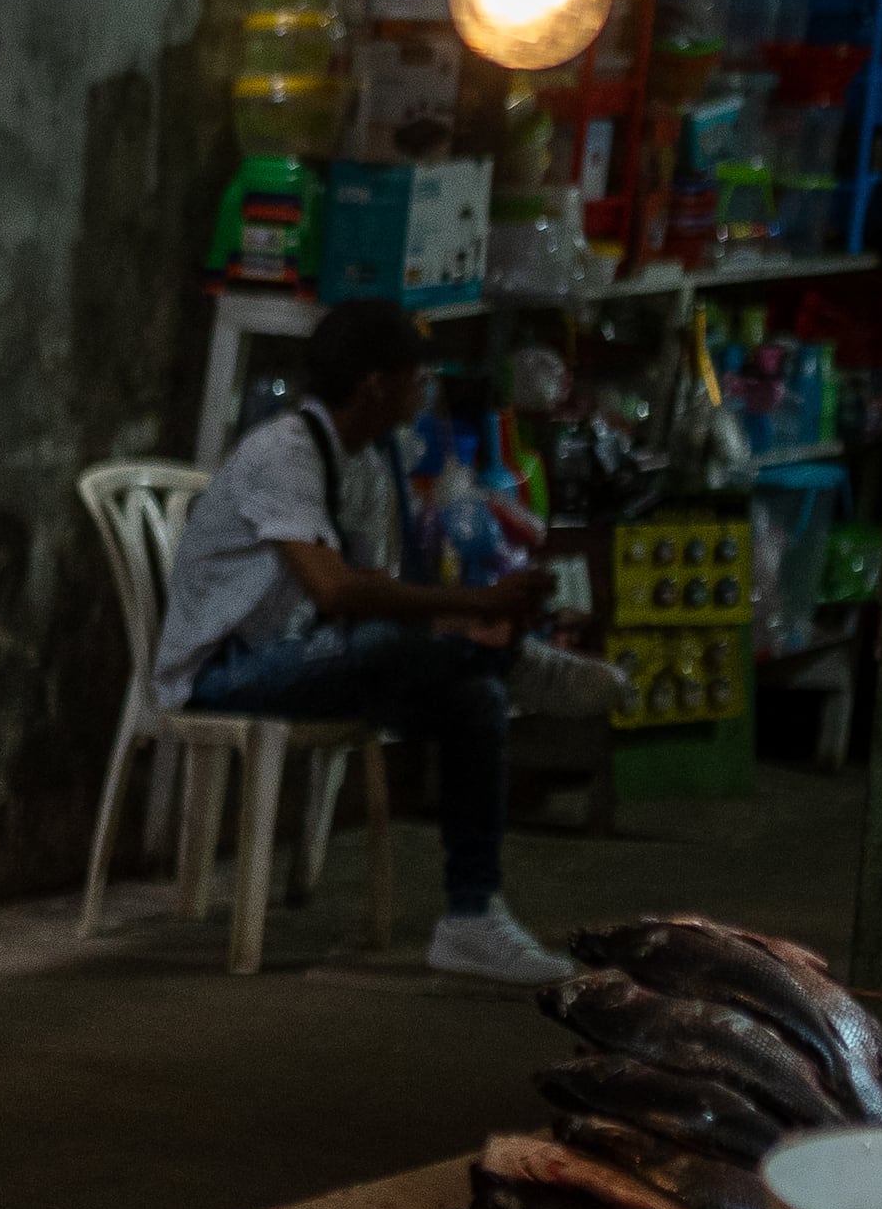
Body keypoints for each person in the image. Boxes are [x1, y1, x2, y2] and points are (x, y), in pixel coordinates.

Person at [153, 297, 576, 987]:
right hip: (226, 673)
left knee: (474, 696)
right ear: (376, 383)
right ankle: (519, 660)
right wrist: (477, 604)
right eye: (416, 376)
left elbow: (377, 592)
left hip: (312, 656)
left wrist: (470, 619)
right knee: (389, 645)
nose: (423, 391)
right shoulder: (283, 452)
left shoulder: (368, 464)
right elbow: (338, 592)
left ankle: (472, 918)